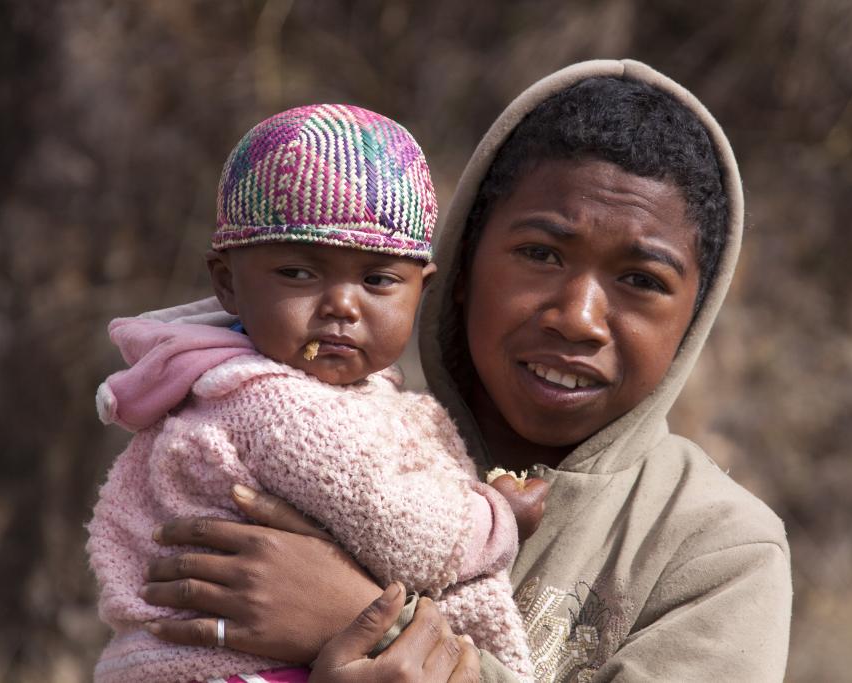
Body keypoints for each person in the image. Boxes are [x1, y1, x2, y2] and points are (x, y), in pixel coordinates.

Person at [135, 60, 794, 681]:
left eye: (640, 279)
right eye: (540, 253)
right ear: (459, 267)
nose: (578, 317)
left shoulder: (717, 549)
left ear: (695, 315)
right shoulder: (339, 440)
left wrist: (357, 619)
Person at [87, 104, 539, 683]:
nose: (342, 307)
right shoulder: (275, 404)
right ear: (227, 282)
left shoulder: (280, 385)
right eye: (299, 273)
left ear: (419, 290)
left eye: (378, 279)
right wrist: (498, 517)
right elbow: (403, 534)